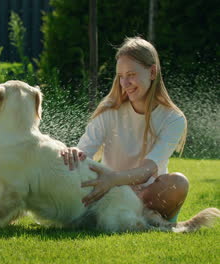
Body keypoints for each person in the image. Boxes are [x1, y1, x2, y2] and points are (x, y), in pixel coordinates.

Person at [62, 37, 188, 222]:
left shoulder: (173, 119)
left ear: (152, 72)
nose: (124, 83)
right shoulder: (109, 111)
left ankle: (132, 216)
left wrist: (114, 179)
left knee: (179, 183)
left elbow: (147, 171)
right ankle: (126, 217)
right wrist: (75, 153)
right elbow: (84, 155)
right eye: (121, 76)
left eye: (131, 75)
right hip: (109, 192)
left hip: (147, 196)